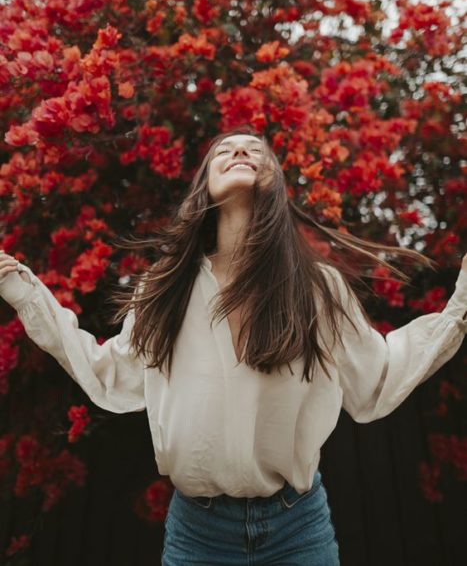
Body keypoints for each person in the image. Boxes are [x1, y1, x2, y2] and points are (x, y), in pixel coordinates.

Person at [1, 129, 466, 566]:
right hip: (197, 532)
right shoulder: (165, 289)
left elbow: (375, 380)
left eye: (254, 150)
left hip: (297, 527)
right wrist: (22, 289)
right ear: (203, 186)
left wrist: (460, 305)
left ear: (275, 183)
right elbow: (110, 376)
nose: (240, 152)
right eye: (224, 151)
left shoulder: (316, 287)